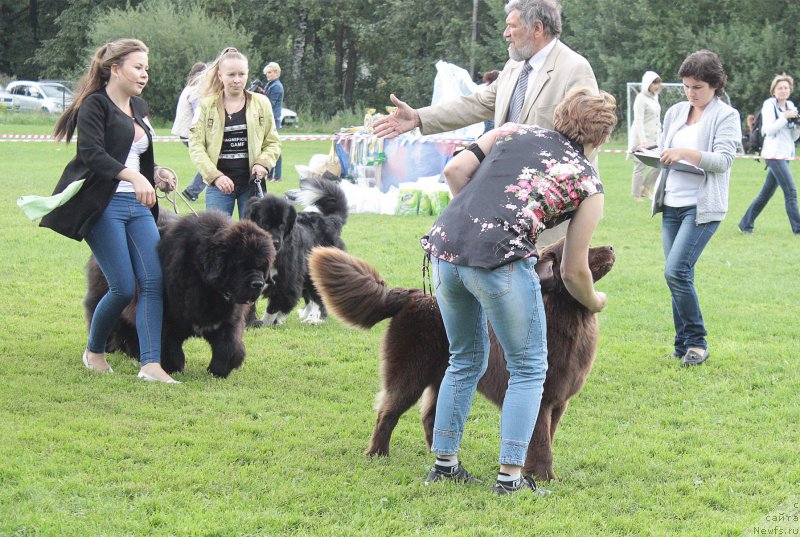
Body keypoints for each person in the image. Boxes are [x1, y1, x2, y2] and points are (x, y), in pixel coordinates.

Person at [419, 88, 617, 495]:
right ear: (601, 139)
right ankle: (510, 478)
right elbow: (574, 270)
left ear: (558, 117)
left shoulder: (509, 131)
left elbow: (455, 171)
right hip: (500, 262)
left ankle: (445, 464)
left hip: (445, 250)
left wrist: (476, 228)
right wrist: (595, 300)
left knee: (463, 359)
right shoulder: (588, 183)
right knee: (528, 368)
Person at [373, 0, 597, 244]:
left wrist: (550, 191)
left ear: (537, 28)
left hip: (549, 202)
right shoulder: (513, 66)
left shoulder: (575, 68)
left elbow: (587, 138)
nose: (505, 34)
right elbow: (476, 103)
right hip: (509, 190)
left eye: (512, 26)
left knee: (547, 275)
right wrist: (418, 117)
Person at [40, 38, 178, 383]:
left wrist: (157, 173)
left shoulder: (140, 106)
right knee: (122, 287)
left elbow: (139, 156)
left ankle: (150, 365)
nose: (144, 74)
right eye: (138, 67)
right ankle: (95, 351)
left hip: (139, 206)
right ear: (115, 68)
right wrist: (133, 176)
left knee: (153, 281)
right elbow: (92, 154)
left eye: (147, 69)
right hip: (103, 206)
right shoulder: (95, 105)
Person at [651, 50, 741, 367]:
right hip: (671, 205)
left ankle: (697, 343)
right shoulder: (675, 111)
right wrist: (650, 154)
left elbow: (723, 161)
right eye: (687, 86)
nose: (691, 93)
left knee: (676, 271)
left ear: (715, 84)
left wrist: (686, 152)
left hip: (701, 209)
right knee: (678, 276)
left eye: (697, 87)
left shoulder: (726, 115)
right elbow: (666, 151)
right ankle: (681, 346)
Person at [189, 47, 281, 219]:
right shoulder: (205, 106)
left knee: (253, 239)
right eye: (231, 75)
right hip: (219, 186)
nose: (237, 80)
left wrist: (263, 163)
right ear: (220, 76)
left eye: (241, 74)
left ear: (247, 74)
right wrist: (215, 177)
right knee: (216, 239)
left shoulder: (262, 103)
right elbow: (196, 146)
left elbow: (272, 142)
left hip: (252, 185)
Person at [738, 73, 800, 235]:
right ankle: (798, 229)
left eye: (786, 88)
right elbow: (769, 130)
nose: (783, 90)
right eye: (780, 88)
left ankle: (746, 224)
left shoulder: (791, 106)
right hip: (773, 154)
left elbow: (792, 137)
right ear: (774, 90)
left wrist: (798, 128)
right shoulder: (769, 105)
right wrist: (785, 117)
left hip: (786, 155)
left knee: (766, 194)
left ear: (790, 90)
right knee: (791, 192)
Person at [171, 61, 207, 202]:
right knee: (209, 162)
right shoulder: (196, 91)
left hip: (184, 132)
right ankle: (192, 191)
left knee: (209, 161)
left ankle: (192, 191)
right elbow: (198, 113)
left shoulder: (189, 88)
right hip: (190, 133)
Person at [629, 71, 662, 201]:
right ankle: (636, 194)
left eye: (658, 82)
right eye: (654, 82)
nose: (657, 85)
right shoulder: (640, 98)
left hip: (655, 138)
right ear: (647, 83)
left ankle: (645, 188)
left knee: (659, 164)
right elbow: (638, 121)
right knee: (639, 167)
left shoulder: (655, 98)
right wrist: (642, 141)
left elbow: (656, 119)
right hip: (641, 138)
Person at [263, 62, 284, 182]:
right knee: (269, 146)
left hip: (273, 120)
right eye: (267, 73)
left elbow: (270, 104)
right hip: (270, 119)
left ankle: (277, 176)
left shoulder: (276, 86)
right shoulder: (270, 84)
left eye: (270, 72)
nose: (267, 75)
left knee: (274, 147)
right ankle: (270, 175)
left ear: (276, 72)